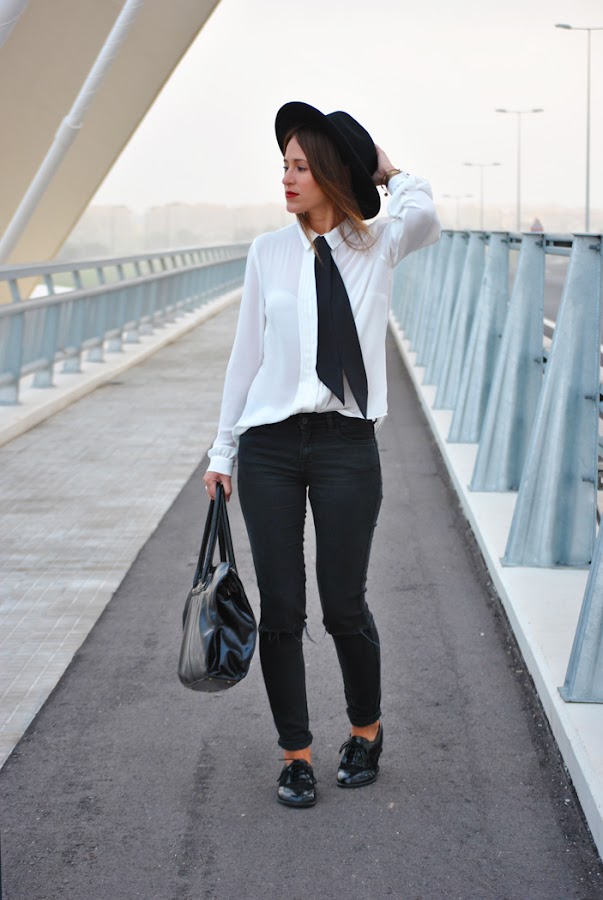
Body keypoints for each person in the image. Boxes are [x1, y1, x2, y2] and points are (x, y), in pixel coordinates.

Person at [204, 101, 440, 808]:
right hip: (270, 446)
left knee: (343, 603)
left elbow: (424, 213)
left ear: (332, 173)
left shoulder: (377, 246)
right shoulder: (267, 252)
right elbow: (246, 356)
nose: (287, 178)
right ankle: (295, 754)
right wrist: (222, 451)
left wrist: (386, 170)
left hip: (345, 444)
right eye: (284, 165)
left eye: (302, 166)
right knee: (281, 607)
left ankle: (365, 732)